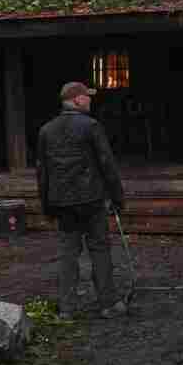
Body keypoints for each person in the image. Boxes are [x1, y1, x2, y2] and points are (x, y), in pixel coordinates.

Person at [37, 82, 127, 320]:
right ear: (76, 100)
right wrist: (118, 198)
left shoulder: (46, 130)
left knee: (68, 253)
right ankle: (108, 304)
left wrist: (47, 206)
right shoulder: (91, 126)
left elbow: (43, 173)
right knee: (99, 249)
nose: (90, 100)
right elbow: (107, 164)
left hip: (63, 204)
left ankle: (67, 309)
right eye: (87, 97)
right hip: (92, 200)